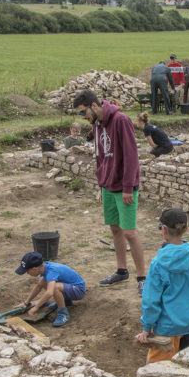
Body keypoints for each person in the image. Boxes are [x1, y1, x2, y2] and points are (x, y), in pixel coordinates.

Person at [73, 89, 147, 293]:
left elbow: (132, 157)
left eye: (83, 112)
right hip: (108, 185)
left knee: (129, 232)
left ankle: (143, 277)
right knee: (115, 229)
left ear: (94, 105)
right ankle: (122, 271)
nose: (83, 117)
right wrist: (101, 183)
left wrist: (127, 187)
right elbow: (100, 156)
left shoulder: (121, 120)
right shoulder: (96, 124)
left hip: (124, 186)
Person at [136, 208, 189, 363]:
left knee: (158, 372)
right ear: (186, 228)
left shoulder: (158, 263)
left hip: (167, 329)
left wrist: (147, 327)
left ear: (164, 230)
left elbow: (151, 301)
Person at [15, 252, 85, 327]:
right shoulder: (45, 267)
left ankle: (63, 313)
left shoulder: (52, 271)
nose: (27, 273)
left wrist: (36, 307)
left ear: (34, 269)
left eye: (27, 271)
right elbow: (38, 286)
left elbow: (50, 293)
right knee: (42, 281)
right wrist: (26, 302)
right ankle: (66, 301)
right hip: (69, 287)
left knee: (54, 287)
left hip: (78, 290)